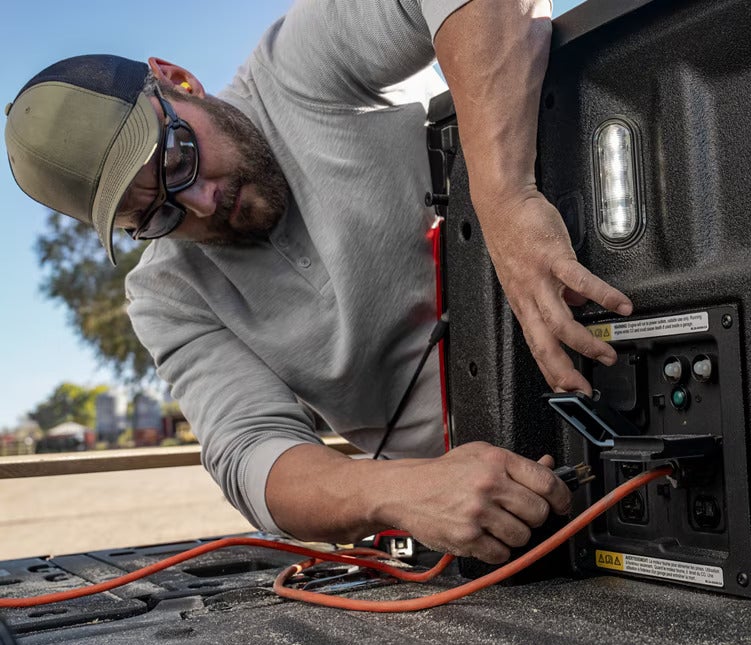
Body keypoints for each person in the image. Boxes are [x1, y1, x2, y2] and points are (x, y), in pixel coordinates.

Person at [4, 0, 632, 564]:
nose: (202, 201)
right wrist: (402, 491)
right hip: (502, 527)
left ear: (176, 80)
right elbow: (250, 456)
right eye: (158, 213)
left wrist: (504, 200)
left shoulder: (297, 67)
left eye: (177, 157)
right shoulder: (168, 297)